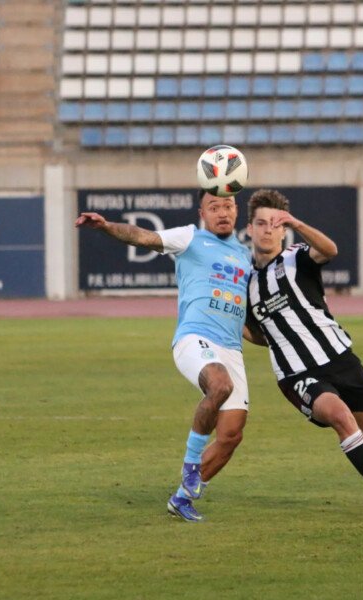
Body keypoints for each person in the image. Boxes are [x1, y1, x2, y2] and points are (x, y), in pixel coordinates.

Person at [75, 189, 251, 523]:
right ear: (202, 213)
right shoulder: (190, 237)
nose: (222, 212)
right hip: (194, 338)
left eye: (227, 206)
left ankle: (182, 499)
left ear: (236, 210)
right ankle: (191, 465)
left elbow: (245, 318)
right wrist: (106, 226)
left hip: (231, 348)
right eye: (214, 207)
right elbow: (143, 236)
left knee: (231, 435)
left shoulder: (244, 256)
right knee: (220, 385)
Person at [244, 188, 363, 519]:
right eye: (260, 223)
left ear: (283, 230)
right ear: (249, 228)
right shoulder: (246, 284)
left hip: (339, 357)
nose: (267, 230)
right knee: (339, 416)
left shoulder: (296, 258)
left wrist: (297, 222)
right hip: (297, 374)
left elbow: (330, 249)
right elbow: (259, 334)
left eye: (275, 224)